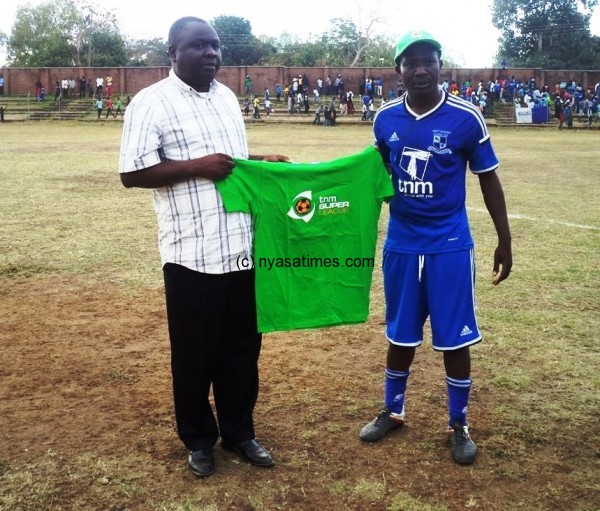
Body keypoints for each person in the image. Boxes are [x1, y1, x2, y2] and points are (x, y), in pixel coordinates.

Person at [118, 16, 288, 479]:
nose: (211, 53)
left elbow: (226, 161)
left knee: (241, 350)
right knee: (193, 354)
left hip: (241, 249)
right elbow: (132, 174)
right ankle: (198, 439)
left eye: (215, 46)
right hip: (191, 255)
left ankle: (239, 432)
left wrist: (259, 160)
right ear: (172, 52)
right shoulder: (150, 103)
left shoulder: (229, 98)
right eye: (198, 46)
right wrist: (198, 167)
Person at [359, 29, 512, 466]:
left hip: (449, 244)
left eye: (429, 61)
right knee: (400, 333)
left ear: (441, 65)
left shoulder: (466, 117)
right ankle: (393, 409)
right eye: (411, 62)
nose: (421, 69)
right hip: (402, 244)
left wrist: (504, 238)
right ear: (398, 70)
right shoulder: (385, 118)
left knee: (453, 338)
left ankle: (458, 422)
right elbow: (373, 172)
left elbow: (488, 178)